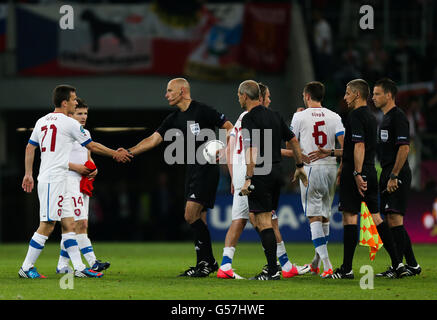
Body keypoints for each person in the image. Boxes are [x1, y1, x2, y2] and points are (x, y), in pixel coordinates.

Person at [19, 85, 132, 279]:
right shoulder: (68, 123)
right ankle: (26, 267)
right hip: (53, 179)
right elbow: (92, 145)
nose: (76, 101)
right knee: (47, 224)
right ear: (65, 103)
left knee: (69, 224)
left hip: (57, 178)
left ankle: (78, 268)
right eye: (74, 99)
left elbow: (30, 148)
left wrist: (28, 173)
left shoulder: (42, 121)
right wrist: (115, 153)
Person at [126, 78, 233, 277]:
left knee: (189, 215)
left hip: (207, 168)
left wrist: (225, 149)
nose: (166, 95)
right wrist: (130, 151)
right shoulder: (174, 118)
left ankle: (207, 261)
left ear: (182, 91)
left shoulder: (203, 110)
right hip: (191, 170)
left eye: (169, 91)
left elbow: (230, 126)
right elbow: (153, 139)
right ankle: (205, 263)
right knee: (200, 217)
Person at [217, 82, 308, 279]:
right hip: (264, 171)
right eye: (268, 96)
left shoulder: (249, 117)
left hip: (253, 170)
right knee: (259, 218)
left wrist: (244, 177)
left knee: (258, 219)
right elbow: (288, 141)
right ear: (260, 96)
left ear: (246, 96)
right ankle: (280, 265)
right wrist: (298, 161)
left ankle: (275, 266)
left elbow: (252, 148)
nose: (269, 99)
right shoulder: (270, 116)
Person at [328, 79, 408, 279]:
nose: (345, 97)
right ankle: (398, 263)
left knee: (350, 217)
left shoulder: (355, 115)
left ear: (356, 94)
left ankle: (346, 268)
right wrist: (331, 152)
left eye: (347, 93)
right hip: (372, 171)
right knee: (377, 217)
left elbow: (359, 146)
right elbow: (358, 147)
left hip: (358, 172)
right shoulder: (372, 117)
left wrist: (355, 173)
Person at [289, 81, 345, 278]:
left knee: (314, 216)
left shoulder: (299, 116)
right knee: (325, 215)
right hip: (330, 167)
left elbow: (291, 140)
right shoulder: (335, 116)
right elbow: (345, 148)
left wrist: (299, 159)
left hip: (311, 168)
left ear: (306, 96)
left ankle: (327, 265)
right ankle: (315, 263)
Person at [372, 78, 421, 277]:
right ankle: (407, 265)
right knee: (392, 219)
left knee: (395, 219)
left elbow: (404, 147)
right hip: (386, 173)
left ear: (389, 95)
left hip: (396, 174)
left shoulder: (398, 117)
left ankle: (403, 265)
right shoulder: (385, 118)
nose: (372, 97)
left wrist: (394, 175)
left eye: (376, 94)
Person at [56, 98, 111, 274]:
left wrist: (93, 167)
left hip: (83, 182)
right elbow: (57, 159)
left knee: (75, 224)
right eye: (80, 113)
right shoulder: (64, 133)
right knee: (79, 223)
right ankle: (92, 262)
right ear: (70, 113)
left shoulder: (85, 132)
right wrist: (78, 168)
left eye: (85, 113)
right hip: (68, 180)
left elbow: (87, 155)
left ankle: (62, 265)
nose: (83, 116)